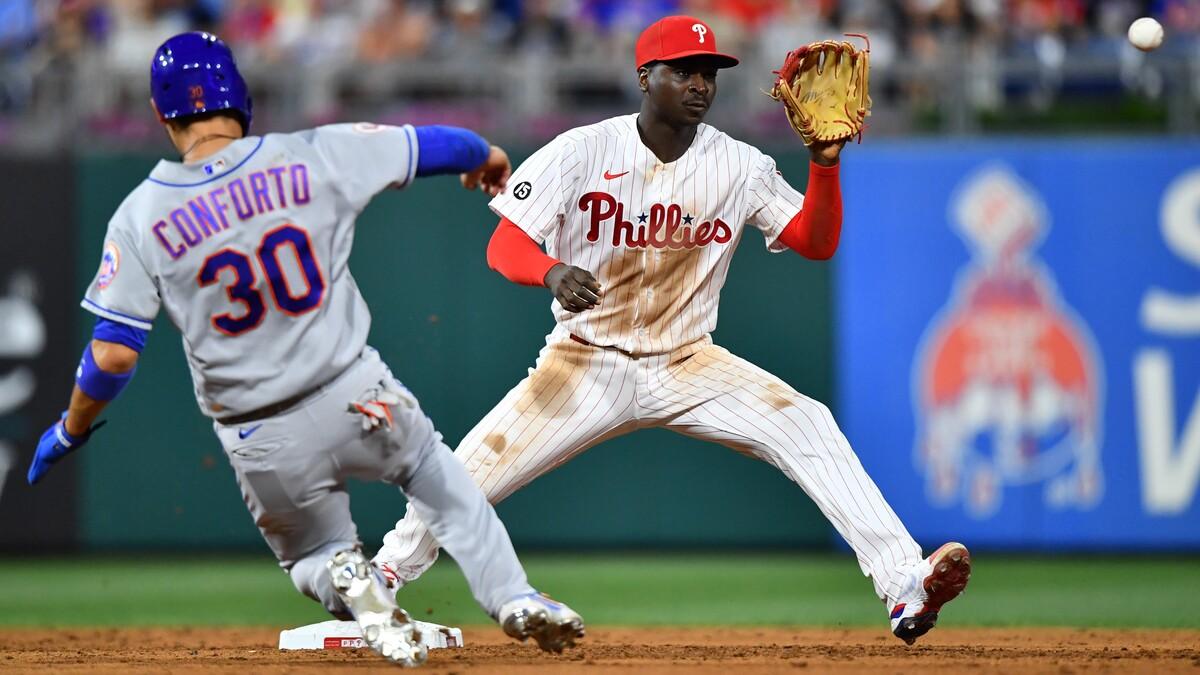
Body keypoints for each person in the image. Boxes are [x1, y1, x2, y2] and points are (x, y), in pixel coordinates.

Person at [374, 15, 971, 645]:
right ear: (644, 76)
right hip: (584, 364)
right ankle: (383, 576)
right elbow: (504, 246)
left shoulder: (740, 165)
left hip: (688, 362)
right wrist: (549, 272)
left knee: (806, 422)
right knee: (468, 473)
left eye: (708, 73)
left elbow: (815, 242)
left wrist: (824, 166)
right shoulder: (581, 150)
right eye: (682, 70)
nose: (699, 84)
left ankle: (904, 584)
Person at [25, 31, 584, 667]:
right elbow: (431, 143)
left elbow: (114, 356)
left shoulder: (140, 213)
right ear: (240, 93)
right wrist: (483, 154)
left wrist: (71, 429)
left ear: (160, 113)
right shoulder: (311, 154)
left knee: (312, 556)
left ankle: (347, 576)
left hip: (259, 432)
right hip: (356, 392)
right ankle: (513, 597)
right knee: (439, 480)